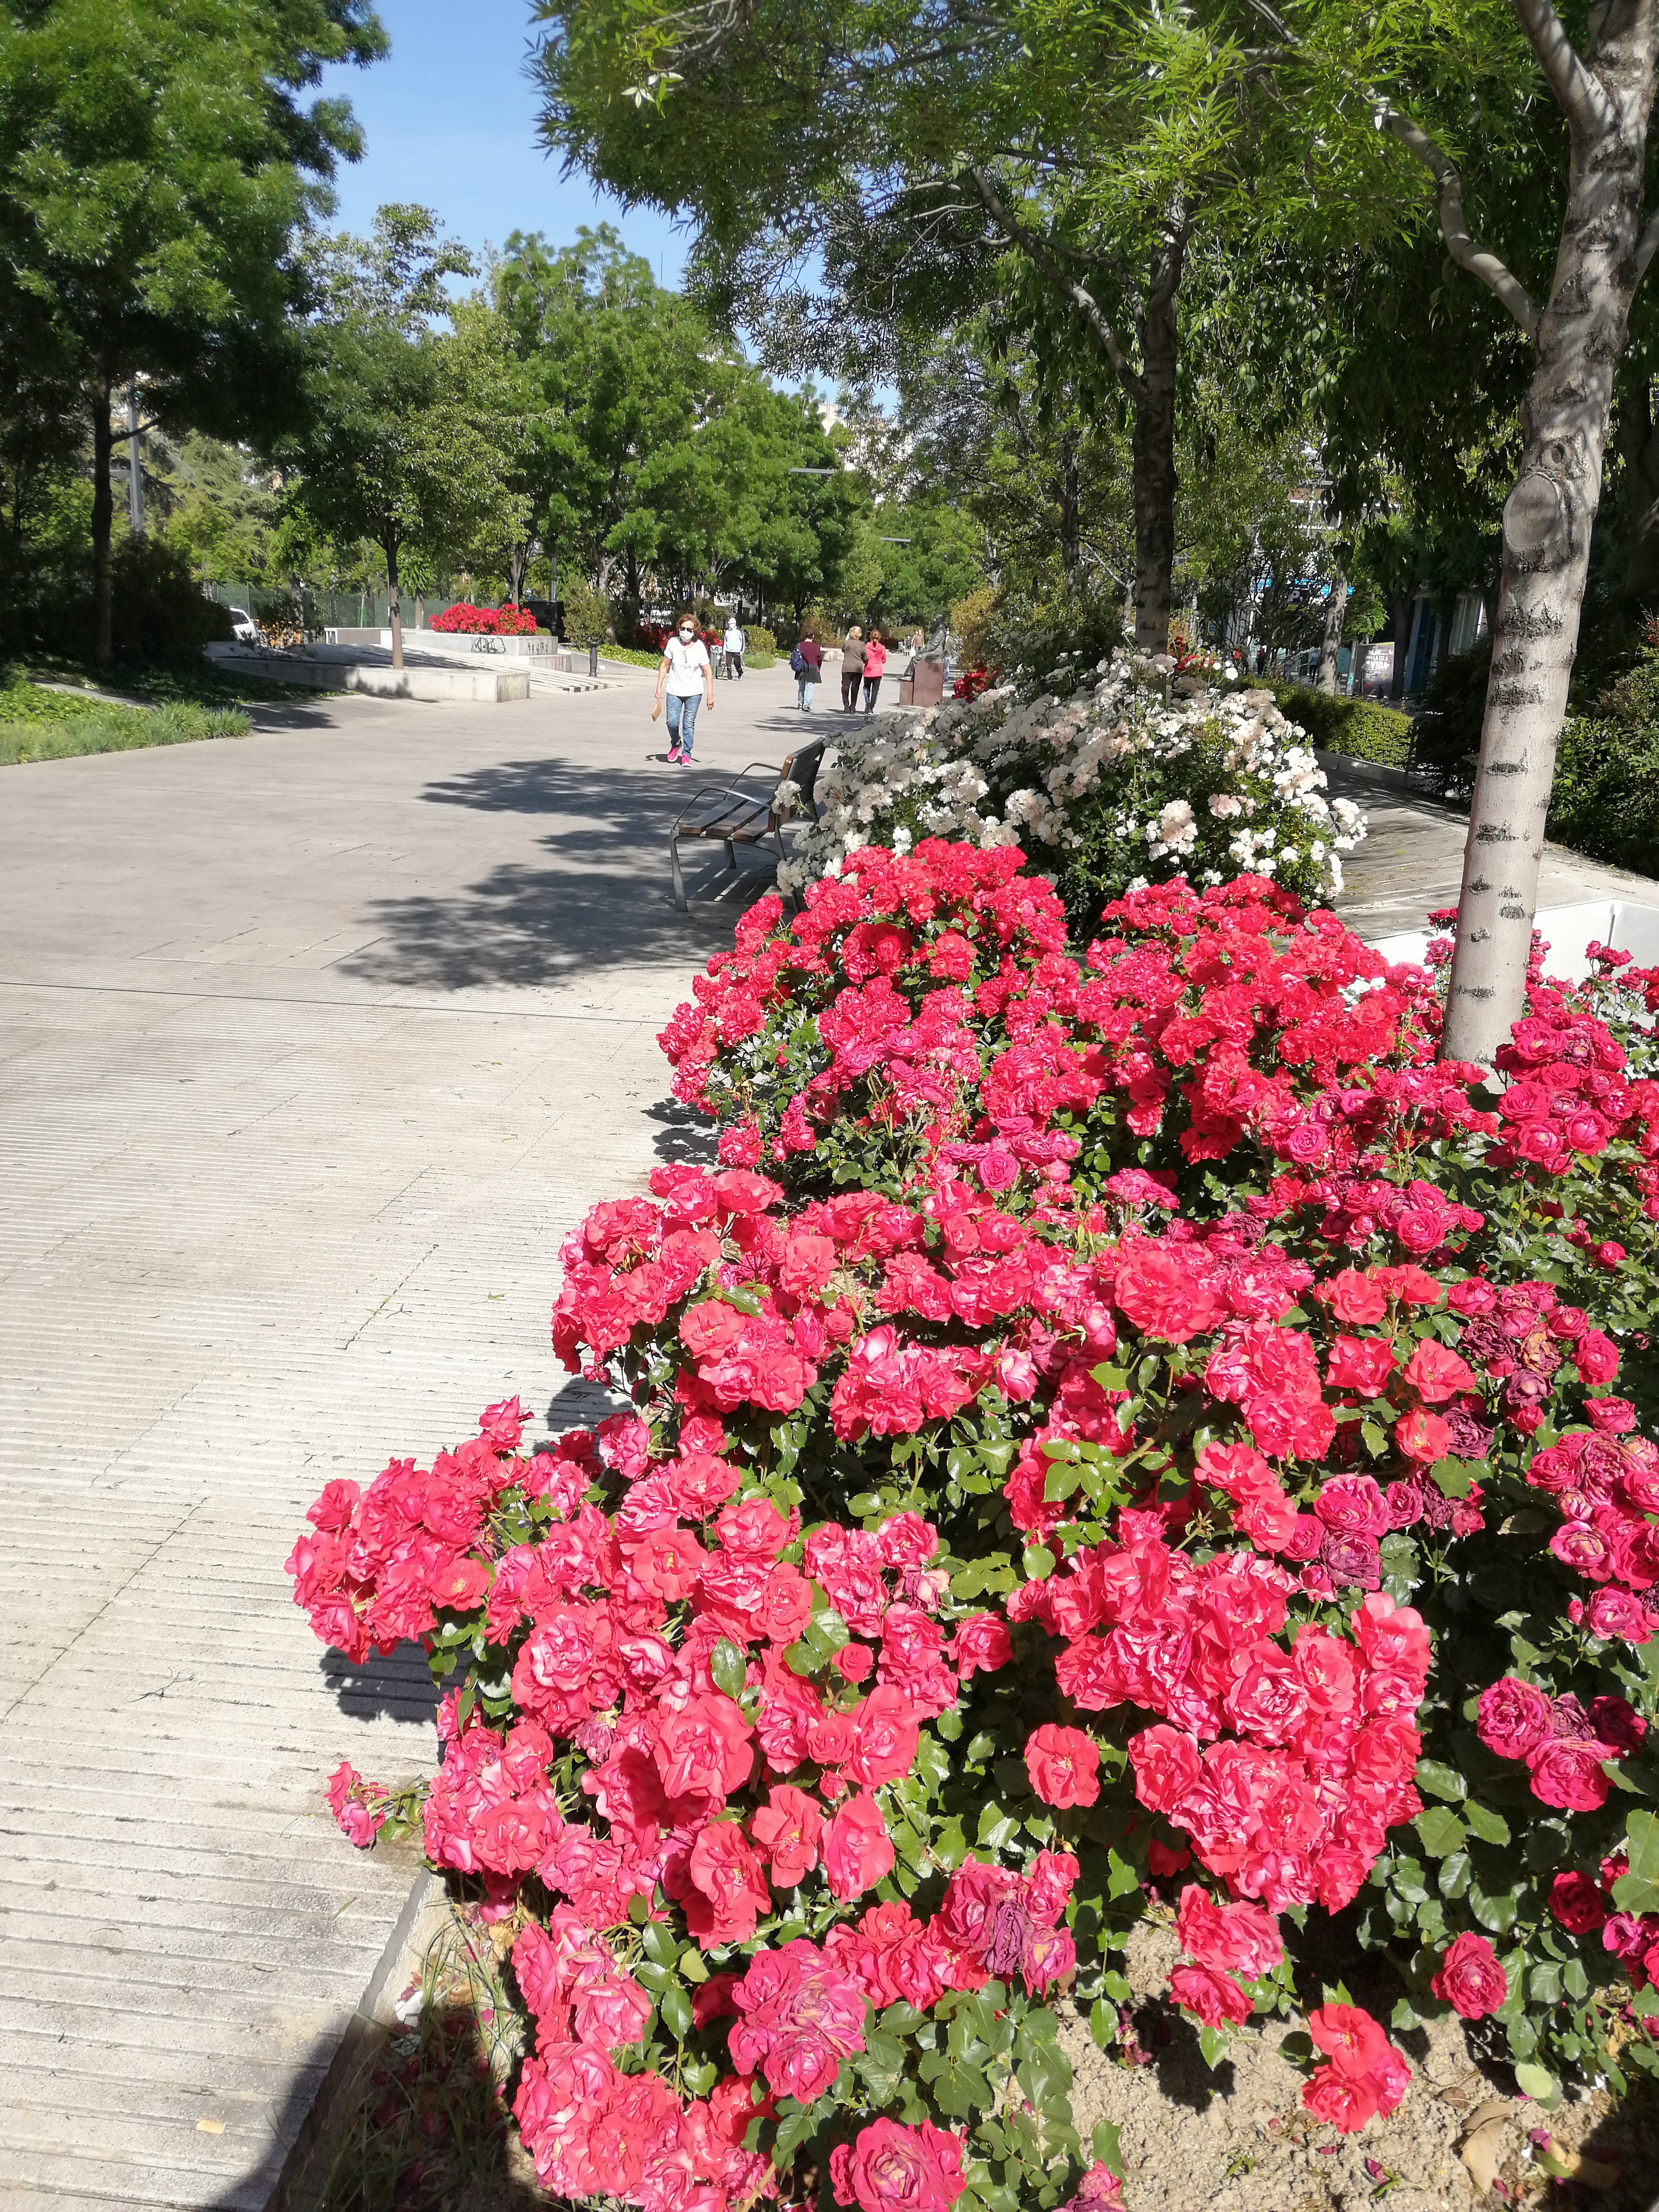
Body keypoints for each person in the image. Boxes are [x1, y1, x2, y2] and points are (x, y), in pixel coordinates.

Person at [653, 612, 714, 763]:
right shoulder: (673, 643)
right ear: (678, 628)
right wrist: (658, 688)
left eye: (689, 630)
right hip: (674, 690)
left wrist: (710, 695)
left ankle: (686, 754)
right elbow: (664, 666)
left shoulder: (700, 647)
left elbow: (708, 671)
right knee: (672, 722)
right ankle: (676, 744)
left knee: (688, 723)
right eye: (683, 628)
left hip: (694, 692)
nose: (685, 632)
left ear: (695, 631)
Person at [791, 630, 822, 709]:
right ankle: (807, 705)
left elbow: (795, 656)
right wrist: (818, 667)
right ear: (813, 637)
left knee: (801, 687)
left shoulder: (799, 645)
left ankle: (800, 704)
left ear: (805, 636)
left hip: (802, 668)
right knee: (810, 687)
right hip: (813, 668)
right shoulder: (816, 647)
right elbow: (820, 658)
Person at [861, 630, 888, 713]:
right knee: (875, 691)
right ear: (879, 637)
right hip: (878, 671)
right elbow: (884, 660)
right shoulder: (882, 648)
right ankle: (871, 708)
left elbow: (864, 658)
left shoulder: (866, 647)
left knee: (866, 688)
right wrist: (878, 661)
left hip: (868, 670)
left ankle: (867, 702)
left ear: (870, 637)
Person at [840, 624, 865, 712]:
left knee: (845, 688)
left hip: (847, 668)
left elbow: (843, 651)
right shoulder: (862, 645)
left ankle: (846, 705)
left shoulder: (846, 643)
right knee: (855, 689)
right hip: (858, 669)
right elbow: (866, 657)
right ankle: (853, 707)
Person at [722, 614, 746, 680]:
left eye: (732, 624)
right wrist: (724, 650)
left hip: (737, 651)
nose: (731, 625)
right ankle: (729, 678)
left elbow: (743, 641)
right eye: (730, 624)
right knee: (728, 664)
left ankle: (740, 673)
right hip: (728, 651)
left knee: (737, 664)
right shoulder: (727, 632)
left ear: (735, 624)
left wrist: (742, 650)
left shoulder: (739, 631)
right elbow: (725, 641)